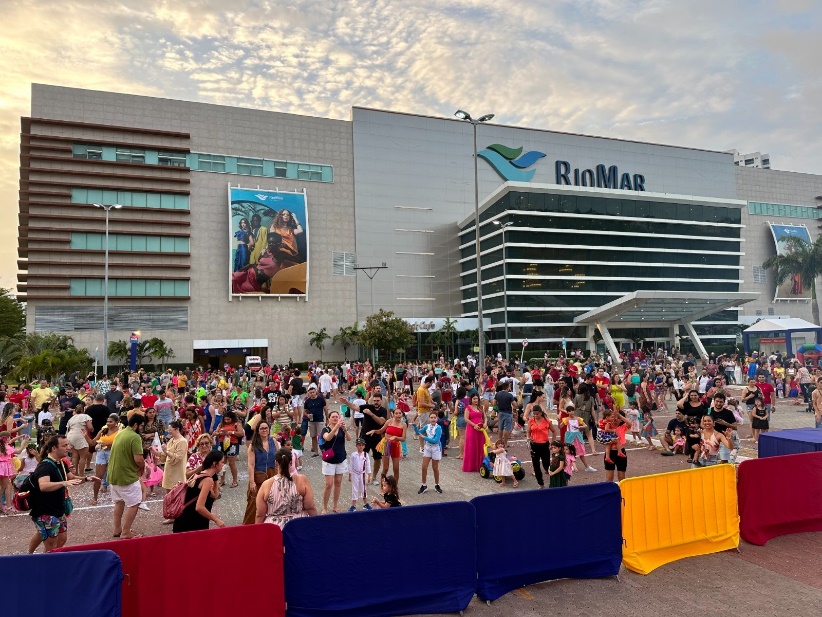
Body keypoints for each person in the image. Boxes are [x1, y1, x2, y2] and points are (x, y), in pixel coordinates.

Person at [27, 435, 99, 552]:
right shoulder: (45, 466)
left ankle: (31, 555)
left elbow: (72, 478)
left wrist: (87, 479)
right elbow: (43, 486)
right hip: (45, 511)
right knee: (51, 545)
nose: (68, 448)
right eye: (64, 445)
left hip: (58, 510)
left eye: (68, 445)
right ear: (54, 448)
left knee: (61, 540)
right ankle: (43, 564)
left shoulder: (61, 463)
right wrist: (63, 483)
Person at [107, 413, 146, 540]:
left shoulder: (121, 433)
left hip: (113, 475)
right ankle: (126, 531)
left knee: (119, 502)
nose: (142, 428)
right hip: (126, 476)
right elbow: (139, 459)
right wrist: (143, 468)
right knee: (134, 503)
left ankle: (117, 528)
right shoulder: (135, 437)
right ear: (135, 425)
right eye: (141, 426)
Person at [256, 448, 317, 527]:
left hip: (275, 529)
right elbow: (310, 507)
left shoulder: (266, 485)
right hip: (299, 525)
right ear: (291, 463)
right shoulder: (302, 480)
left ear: (276, 463)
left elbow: (260, 514)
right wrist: (317, 525)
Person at [173, 450, 227, 533]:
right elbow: (199, 507)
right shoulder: (207, 480)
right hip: (193, 522)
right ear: (214, 463)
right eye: (222, 462)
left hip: (184, 519)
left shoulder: (198, 474)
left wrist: (215, 479)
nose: (223, 465)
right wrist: (216, 520)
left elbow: (214, 495)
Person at [242, 421, 279, 525]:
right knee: (254, 504)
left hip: (272, 474)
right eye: (262, 428)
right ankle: (249, 527)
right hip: (258, 475)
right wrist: (252, 482)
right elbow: (251, 465)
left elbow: (278, 459)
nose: (264, 430)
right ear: (258, 431)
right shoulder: (253, 445)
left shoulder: (274, 441)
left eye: (266, 428)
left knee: (272, 501)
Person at [350, 392, 387, 486]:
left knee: (377, 458)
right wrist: (346, 402)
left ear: (381, 401)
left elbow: (381, 422)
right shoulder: (368, 406)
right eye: (374, 400)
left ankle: (374, 477)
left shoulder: (383, 410)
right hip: (365, 436)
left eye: (378, 400)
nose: (376, 402)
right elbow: (356, 407)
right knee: (361, 457)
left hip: (376, 437)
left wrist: (371, 414)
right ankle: (361, 476)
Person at [320, 410, 351, 514]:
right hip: (329, 460)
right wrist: (336, 427)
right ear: (329, 419)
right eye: (333, 417)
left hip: (341, 458)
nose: (335, 418)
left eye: (336, 417)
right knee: (328, 484)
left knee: (338, 483)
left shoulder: (341, 428)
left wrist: (345, 430)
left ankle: (335, 505)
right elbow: (328, 438)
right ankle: (324, 507)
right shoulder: (326, 429)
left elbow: (349, 439)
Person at [367, 407, 407, 482]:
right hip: (386, 444)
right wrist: (374, 431)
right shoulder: (389, 422)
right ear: (393, 415)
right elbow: (381, 431)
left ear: (402, 414)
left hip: (396, 445)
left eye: (400, 413)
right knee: (385, 468)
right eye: (396, 413)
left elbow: (403, 438)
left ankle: (394, 488)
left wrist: (396, 438)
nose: (398, 415)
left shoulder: (404, 425)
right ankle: (383, 487)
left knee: (396, 468)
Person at [90, 414, 120, 505]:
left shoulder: (120, 432)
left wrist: (105, 443)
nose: (108, 423)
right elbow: (92, 443)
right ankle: (95, 497)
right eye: (107, 421)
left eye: (111, 422)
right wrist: (85, 436)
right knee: (98, 476)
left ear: (116, 423)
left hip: (113, 453)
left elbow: (117, 443)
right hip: (101, 453)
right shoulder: (103, 430)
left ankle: (119, 497)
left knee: (116, 476)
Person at [414, 412, 443, 495]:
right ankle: (424, 485)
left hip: (435, 448)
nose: (433, 419)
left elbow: (436, 440)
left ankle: (437, 485)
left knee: (435, 468)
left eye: (434, 417)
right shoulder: (427, 426)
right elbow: (418, 433)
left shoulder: (438, 428)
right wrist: (415, 426)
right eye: (431, 418)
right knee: (424, 467)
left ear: (436, 419)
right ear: (429, 419)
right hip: (427, 448)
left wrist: (424, 437)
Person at [561, 405, 596, 471]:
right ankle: (570, 466)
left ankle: (587, 466)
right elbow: (560, 426)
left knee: (581, 453)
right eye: (570, 411)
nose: (571, 412)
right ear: (567, 412)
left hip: (577, 437)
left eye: (572, 410)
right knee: (569, 452)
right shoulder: (566, 419)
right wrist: (558, 421)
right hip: (570, 438)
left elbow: (585, 425)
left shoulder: (578, 419)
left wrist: (579, 427)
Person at [214, 410, 243, 487]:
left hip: (232, 444)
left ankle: (235, 481)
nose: (226, 421)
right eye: (225, 419)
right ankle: (222, 480)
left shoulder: (237, 424)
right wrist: (220, 433)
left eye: (228, 419)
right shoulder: (221, 424)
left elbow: (241, 433)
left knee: (232, 463)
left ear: (232, 418)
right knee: (222, 463)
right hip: (222, 444)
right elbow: (215, 432)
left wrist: (231, 432)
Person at [526, 406, 553, 488]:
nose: (535, 416)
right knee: (536, 465)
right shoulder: (531, 421)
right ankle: (541, 484)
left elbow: (554, 431)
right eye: (534, 414)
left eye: (537, 414)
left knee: (546, 465)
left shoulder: (547, 421)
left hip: (544, 445)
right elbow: (528, 432)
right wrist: (528, 438)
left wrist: (552, 443)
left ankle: (555, 479)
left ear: (541, 413)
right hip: (534, 445)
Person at [65, 403, 93, 476]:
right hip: (79, 435)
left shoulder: (72, 418)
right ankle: (81, 474)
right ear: (83, 409)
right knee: (83, 457)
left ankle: (75, 474)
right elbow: (90, 427)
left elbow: (69, 428)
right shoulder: (85, 416)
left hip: (70, 436)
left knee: (75, 456)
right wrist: (92, 430)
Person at [461, 393, 486, 473]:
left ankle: (480, 465)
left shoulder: (481, 407)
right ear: (471, 399)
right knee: (471, 446)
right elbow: (466, 419)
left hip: (481, 430)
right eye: (474, 399)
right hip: (471, 429)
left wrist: (485, 423)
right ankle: (471, 466)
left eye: (476, 399)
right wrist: (474, 425)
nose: (475, 400)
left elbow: (485, 417)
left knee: (481, 446)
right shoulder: (468, 408)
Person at [348, 438, 372, 511]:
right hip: (355, 474)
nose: (361, 447)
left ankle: (365, 504)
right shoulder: (353, 455)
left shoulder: (365, 455)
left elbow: (368, 465)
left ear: (364, 446)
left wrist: (369, 475)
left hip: (362, 474)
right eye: (359, 445)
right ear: (356, 446)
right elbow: (351, 465)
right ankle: (353, 505)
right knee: (354, 489)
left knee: (363, 488)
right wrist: (350, 475)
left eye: (362, 445)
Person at [303, 385, 327, 456]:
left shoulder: (321, 399)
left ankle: (323, 451)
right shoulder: (307, 401)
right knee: (313, 436)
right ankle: (316, 452)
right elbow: (304, 411)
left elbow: (325, 409)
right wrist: (307, 415)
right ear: (308, 393)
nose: (312, 394)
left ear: (316, 392)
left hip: (320, 420)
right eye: (311, 393)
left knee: (321, 436)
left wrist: (327, 419)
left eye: (313, 392)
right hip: (311, 421)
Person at [494, 380, 517, 447]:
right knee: (507, 428)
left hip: (500, 412)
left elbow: (494, 402)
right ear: (507, 387)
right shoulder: (510, 395)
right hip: (508, 412)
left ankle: (500, 440)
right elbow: (514, 404)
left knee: (500, 427)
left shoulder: (498, 394)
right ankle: (505, 442)